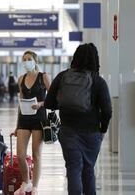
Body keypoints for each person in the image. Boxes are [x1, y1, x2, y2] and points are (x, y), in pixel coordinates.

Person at [45, 43, 112, 195]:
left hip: (68, 130)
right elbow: (107, 111)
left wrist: (63, 103)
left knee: (73, 168)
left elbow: (49, 103)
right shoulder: (98, 81)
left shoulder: (62, 76)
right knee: (88, 169)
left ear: (75, 57)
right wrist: (102, 130)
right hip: (91, 132)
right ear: (95, 59)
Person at [13, 51, 51, 195]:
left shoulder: (43, 77)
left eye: (29, 59)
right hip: (24, 119)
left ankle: (34, 186)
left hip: (39, 119)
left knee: (36, 155)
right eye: (24, 59)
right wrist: (17, 126)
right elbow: (20, 103)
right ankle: (26, 182)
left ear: (35, 60)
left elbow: (53, 98)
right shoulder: (21, 79)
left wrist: (41, 103)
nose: (26, 62)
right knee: (20, 154)